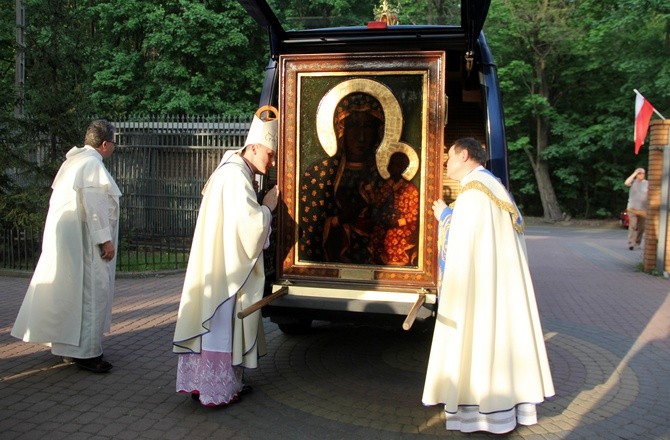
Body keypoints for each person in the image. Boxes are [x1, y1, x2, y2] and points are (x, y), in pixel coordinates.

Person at [422, 137, 555, 434]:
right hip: (500, 286)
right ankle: (511, 409)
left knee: (479, 343)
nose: (446, 163)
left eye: (450, 157)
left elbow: (460, 241)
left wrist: (444, 217)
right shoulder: (493, 185)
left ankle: (482, 413)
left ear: (465, 155)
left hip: (480, 291)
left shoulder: (473, 193)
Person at [172, 106, 280, 407]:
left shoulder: (233, 170)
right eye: (269, 154)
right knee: (220, 326)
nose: (271, 162)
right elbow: (250, 225)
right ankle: (216, 390)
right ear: (254, 147)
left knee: (217, 327)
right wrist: (269, 207)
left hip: (218, 263)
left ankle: (203, 384)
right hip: (225, 271)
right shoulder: (235, 177)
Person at [11, 119, 122, 374]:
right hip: (86, 245)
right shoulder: (91, 165)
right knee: (92, 293)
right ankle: (87, 353)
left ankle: (68, 347)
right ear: (104, 144)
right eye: (114, 143)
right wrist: (105, 240)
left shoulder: (72, 163)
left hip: (70, 243)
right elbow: (94, 208)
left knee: (71, 295)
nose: (114, 148)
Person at [299, 92, 384, 264]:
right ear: (340, 130)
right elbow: (308, 231)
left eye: (368, 127)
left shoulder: (384, 177)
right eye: (353, 126)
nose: (361, 137)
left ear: (378, 132)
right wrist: (338, 221)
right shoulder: (319, 173)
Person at [366, 150, 420, 266]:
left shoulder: (410, 189)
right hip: (383, 225)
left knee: (392, 237)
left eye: (396, 164)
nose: (392, 167)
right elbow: (376, 202)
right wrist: (370, 191)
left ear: (403, 167)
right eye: (391, 163)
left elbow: (412, 216)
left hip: (401, 228)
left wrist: (396, 222)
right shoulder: (386, 186)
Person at [624, 168, 648, 250]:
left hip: (643, 209)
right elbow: (626, 183)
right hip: (632, 208)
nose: (641, 174)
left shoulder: (648, 183)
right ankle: (631, 243)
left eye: (643, 173)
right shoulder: (633, 182)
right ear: (636, 174)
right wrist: (634, 173)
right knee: (633, 226)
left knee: (641, 227)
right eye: (639, 173)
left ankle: (638, 242)